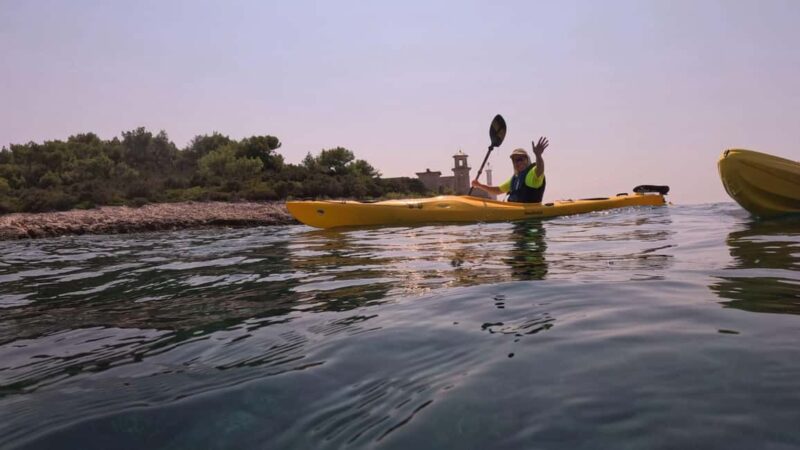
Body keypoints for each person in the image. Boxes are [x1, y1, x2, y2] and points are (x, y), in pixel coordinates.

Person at [471, 137, 549, 203]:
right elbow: (498, 190)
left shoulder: (532, 173)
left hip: (531, 214)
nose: (517, 162)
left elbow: (540, 170)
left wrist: (538, 156)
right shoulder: (515, 179)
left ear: (526, 160)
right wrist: (479, 185)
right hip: (516, 214)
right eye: (514, 160)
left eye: (520, 159)